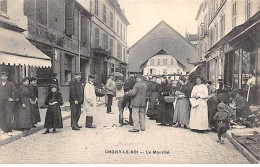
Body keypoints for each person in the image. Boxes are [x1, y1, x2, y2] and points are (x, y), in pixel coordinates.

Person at [0, 72, 18, 136]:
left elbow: (16, 92)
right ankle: (3, 128)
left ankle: (9, 130)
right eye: (2, 76)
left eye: (5, 76)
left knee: (8, 115)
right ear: (0, 77)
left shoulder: (10, 84)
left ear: (7, 77)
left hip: (8, 101)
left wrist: (13, 98)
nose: (4, 77)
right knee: (2, 115)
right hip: (1, 101)